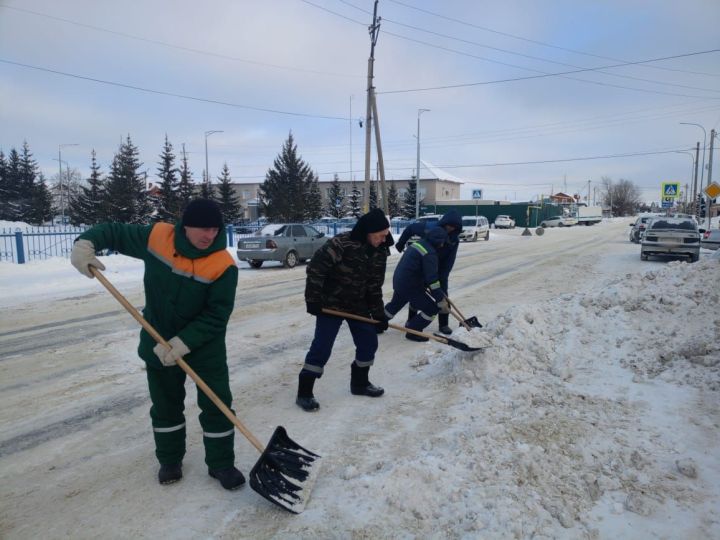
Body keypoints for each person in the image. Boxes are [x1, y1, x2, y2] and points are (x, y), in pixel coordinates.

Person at [70, 199, 245, 490]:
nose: (210, 236)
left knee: (217, 405)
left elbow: (217, 315)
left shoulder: (223, 264)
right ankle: (170, 459)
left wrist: (184, 342)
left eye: (215, 229)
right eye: (203, 229)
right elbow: (114, 232)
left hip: (204, 347)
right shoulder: (158, 238)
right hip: (157, 338)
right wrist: (86, 242)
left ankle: (222, 464)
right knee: (165, 405)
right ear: (185, 226)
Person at [297, 208, 394, 412]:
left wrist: (378, 314)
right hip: (330, 304)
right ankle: (304, 392)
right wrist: (313, 300)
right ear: (369, 231)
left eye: (386, 235)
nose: (384, 239)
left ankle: (359, 383)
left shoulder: (380, 251)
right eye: (381, 235)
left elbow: (374, 285)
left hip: (357, 304)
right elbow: (316, 269)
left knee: (369, 342)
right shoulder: (341, 244)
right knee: (322, 347)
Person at [394, 210, 463, 334]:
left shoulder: (454, 240)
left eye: (453, 227)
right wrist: (400, 243)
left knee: (442, 294)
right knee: (418, 293)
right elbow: (410, 228)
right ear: (444, 222)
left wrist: (442, 278)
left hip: (440, 267)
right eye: (448, 225)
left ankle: (443, 324)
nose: (450, 228)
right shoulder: (429, 228)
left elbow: (449, 260)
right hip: (423, 265)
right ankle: (412, 320)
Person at [384, 227, 450, 342]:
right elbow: (432, 280)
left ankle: (378, 323)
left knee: (395, 305)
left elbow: (417, 268)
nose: (443, 245)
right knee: (431, 309)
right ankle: (413, 330)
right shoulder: (430, 253)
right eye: (443, 242)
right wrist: (440, 299)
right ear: (438, 241)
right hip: (410, 285)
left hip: (400, 281)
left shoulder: (419, 244)